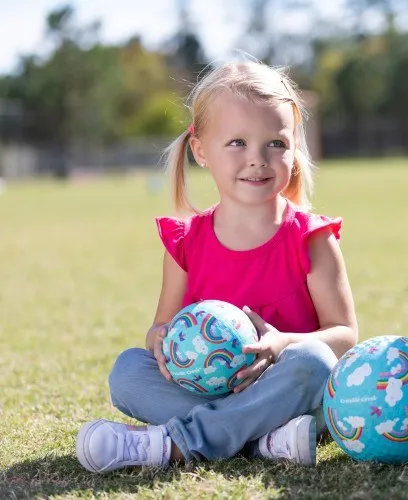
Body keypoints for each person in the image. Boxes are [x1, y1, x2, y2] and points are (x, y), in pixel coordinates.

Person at [76, 60, 358, 473]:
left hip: (288, 391)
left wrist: (281, 346)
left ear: (294, 147)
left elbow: (344, 338)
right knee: (128, 372)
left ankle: (177, 444)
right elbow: (160, 330)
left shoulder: (311, 239)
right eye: (237, 143)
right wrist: (163, 340)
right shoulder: (186, 242)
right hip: (220, 398)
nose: (258, 159)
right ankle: (261, 441)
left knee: (314, 363)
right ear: (201, 151)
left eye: (275, 144)